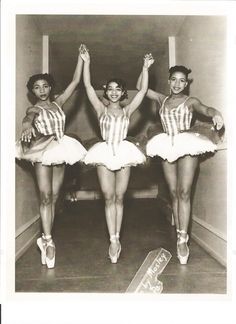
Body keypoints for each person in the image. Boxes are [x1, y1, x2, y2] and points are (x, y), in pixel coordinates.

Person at [136, 63, 224, 265]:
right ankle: (179, 233)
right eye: (174, 79)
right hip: (167, 144)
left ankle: (183, 239)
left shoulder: (190, 101)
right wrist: (145, 68)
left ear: (186, 84)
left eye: (181, 80)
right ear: (169, 81)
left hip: (187, 144)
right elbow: (141, 86)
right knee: (174, 192)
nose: (177, 84)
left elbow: (206, 108)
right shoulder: (162, 99)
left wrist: (216, 113)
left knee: (184, 192)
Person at [80, 44, 154, 263]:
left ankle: (117, 238)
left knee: (120, 197)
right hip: (104, 152)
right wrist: (87, 62)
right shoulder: (100, 109)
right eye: (110, 88)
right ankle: (111, 239)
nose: (113, 91)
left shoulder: (127, 110)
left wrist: (145, 67)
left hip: (123, 151)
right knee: (108, 196)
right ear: (107, 91)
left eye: (118, 89)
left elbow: (141, 92)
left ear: (123, 93)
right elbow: (87, 86)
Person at [15, 45, 87, 269]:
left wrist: (81, 59)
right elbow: (29, 117)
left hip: (60, 147)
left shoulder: (57, 103)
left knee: (55, 197)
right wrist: (26, 125)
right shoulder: (34, 109)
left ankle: (45, 235)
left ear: (50, 87)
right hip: (42, 149)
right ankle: (47, 240)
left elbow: (75, 83)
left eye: (45, 86)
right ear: (32, 92)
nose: (42, 90)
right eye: (37, 88)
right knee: (45, 197)